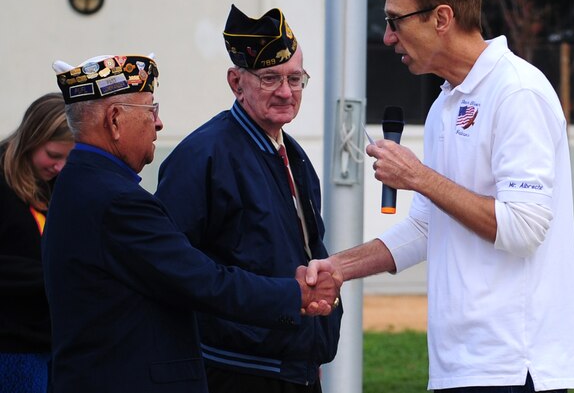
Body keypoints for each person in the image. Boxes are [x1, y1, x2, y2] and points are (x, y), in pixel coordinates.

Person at [306, 0, 574, 392]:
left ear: (441, 18)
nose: (387, 38)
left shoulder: (517, 92)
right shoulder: (446, 104)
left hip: (515, 368)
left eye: (395, 21)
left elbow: (523, 227)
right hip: (460, 365)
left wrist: (419, 177)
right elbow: (425, 227)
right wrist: (338, 267)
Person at [42, 53, 339, 393]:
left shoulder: (82, 183)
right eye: (150, 110)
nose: (158, 123)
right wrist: (295, 294)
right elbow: (201, 280)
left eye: (295, 78)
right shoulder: (118, 201)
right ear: (114, 120)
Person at [155, 5, 343, 393]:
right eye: (270, 78)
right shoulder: (202, 156)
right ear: (236, 82)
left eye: (296, 79)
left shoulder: (294, 154)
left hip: (296, 368)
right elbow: (174, 270)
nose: (286, 92)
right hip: (235, 371)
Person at [0, 93, 73, 393]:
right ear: (31, 138)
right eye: (54, 155)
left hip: (54, 340)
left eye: (70, 157)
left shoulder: (57, 183)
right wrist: (55, 275)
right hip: (12, 345)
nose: (60, 167)